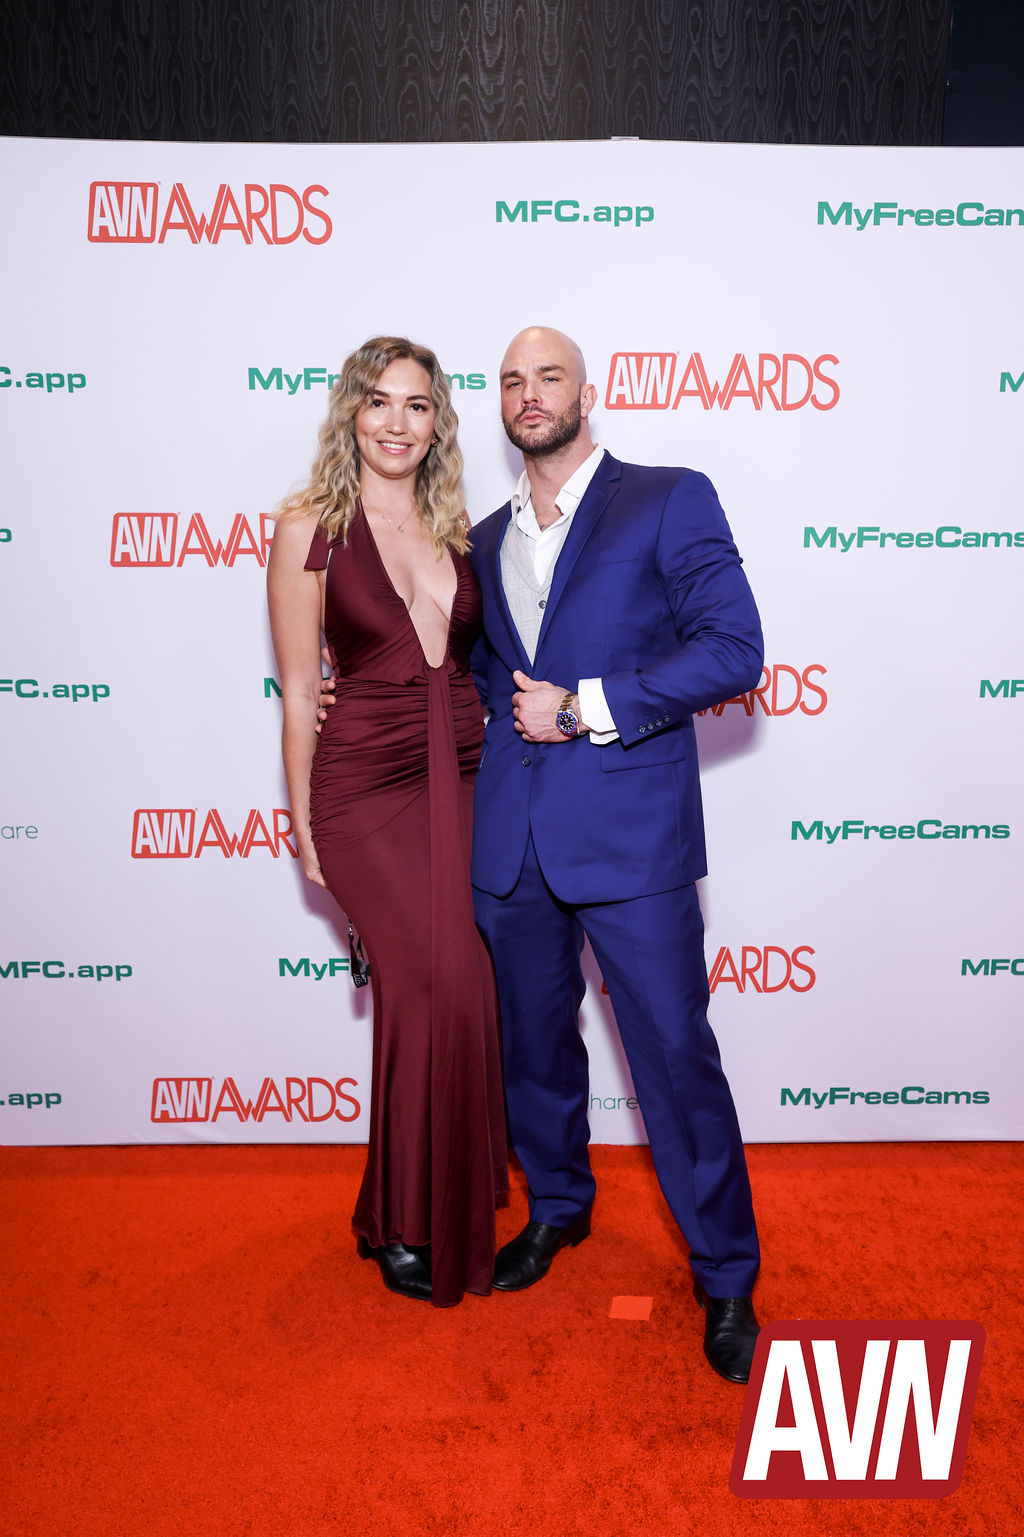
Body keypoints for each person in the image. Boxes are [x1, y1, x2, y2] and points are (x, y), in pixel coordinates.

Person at [468, 326, 764, 1383]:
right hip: (513, 842)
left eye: (548, 376)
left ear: (586, 393)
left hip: (633, 842)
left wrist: (586, 706)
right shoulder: (484, 537)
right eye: (512, 381)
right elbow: (480, 679)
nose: (529, 393)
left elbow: (734, 650)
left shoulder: (667, 498)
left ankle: (726, 1272)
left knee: (676, 1061)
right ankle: (557, 1206)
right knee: (532, 1051)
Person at [267, 336, 507, 1308]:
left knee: (466, 985)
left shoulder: (459, 527)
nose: (396, 423)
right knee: (419, 986)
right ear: (351, 414)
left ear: (437, 422)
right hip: (364, 786)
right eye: (379, 402)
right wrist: (304, 829)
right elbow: (298, 692)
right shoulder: (309, 528)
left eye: (416, 405)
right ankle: (406, 1218)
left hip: (464, 774)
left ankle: (416, 1202)